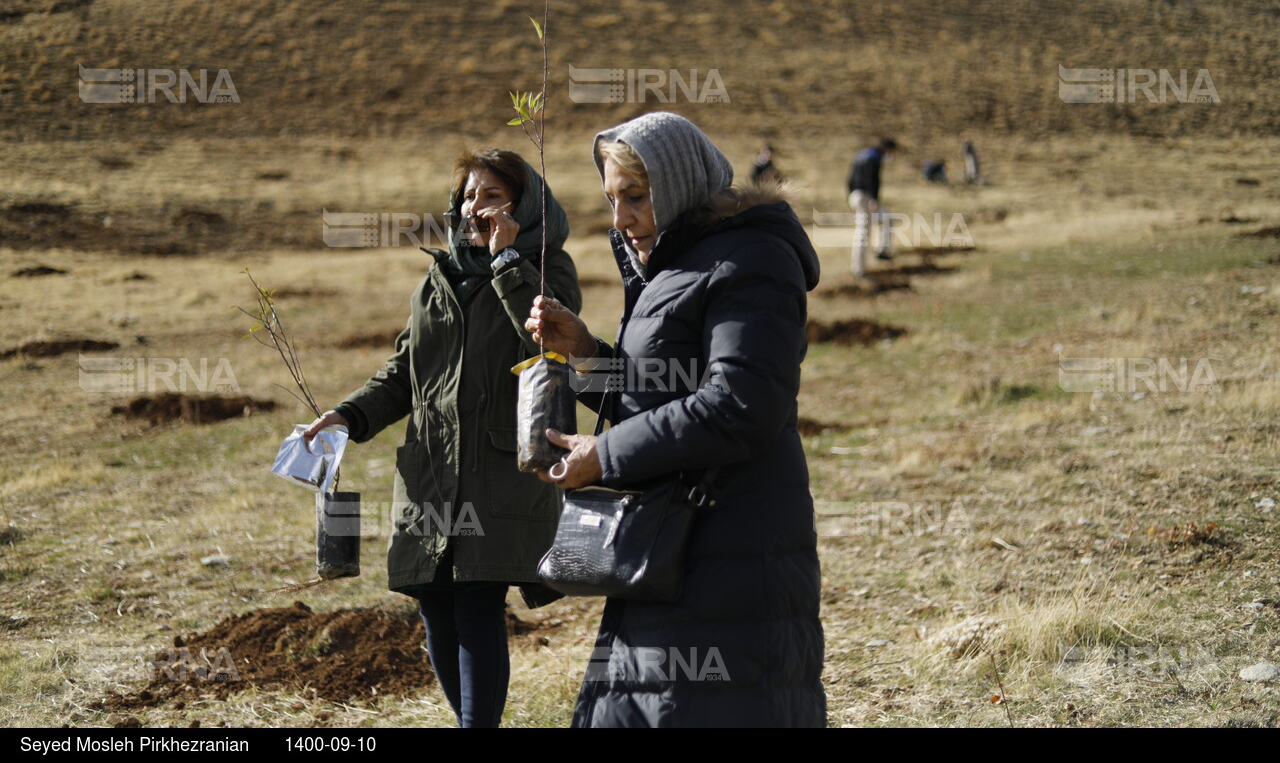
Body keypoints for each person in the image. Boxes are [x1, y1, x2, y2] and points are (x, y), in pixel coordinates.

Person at [525, 111, 826, 728]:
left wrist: (603, 456)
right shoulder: (674, 264)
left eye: (635, 197)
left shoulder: (753, 258)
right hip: (668, 547)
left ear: (678, 183)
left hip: (732, 548)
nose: (620, 219)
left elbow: (739, 403)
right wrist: (585, 355)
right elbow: (658, 392)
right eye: (612, 200)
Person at [304, 148, 581, 728]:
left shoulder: (547, 267)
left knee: (478, 603)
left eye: (492, 196)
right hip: (430, 467)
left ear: (522, 207)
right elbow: (405, 371)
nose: (475, 207)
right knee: (435, 606)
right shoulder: (437, 277)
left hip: (496, 468)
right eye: (468, 196)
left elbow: (548, 343)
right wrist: (347, 417)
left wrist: (507, 259)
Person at [846, 137, 896, 277]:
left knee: (888, 218)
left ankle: (883, 250)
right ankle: (859, 269)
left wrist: (849, 201)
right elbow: (873, 179)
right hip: (865, 197)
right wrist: (874, 199)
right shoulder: (875, 157)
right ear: (888, 149)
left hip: (855, 196)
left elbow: (849, 180)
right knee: (863, 232)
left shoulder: (861, 155)